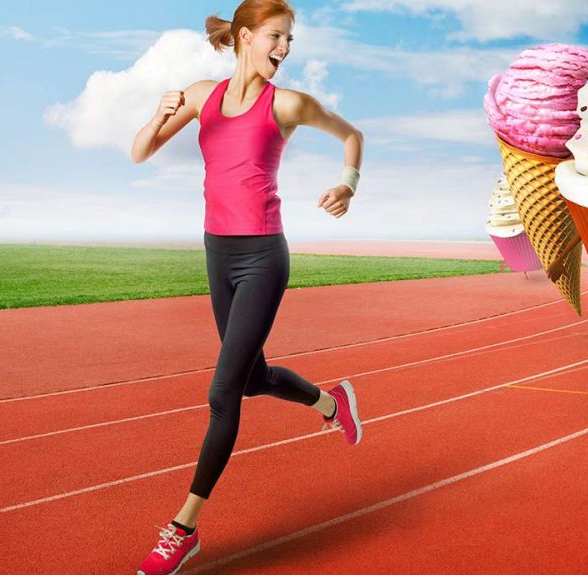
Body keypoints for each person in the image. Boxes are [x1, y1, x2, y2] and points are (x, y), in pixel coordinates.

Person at [130, 1, 364, 572]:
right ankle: (330, 403)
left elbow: (350, 134)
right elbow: (139, 152)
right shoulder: (201, 95)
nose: (284, 49)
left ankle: (183, 528)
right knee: (253, 378)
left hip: (262, 256)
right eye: (275, 37)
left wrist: (348, 184)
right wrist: (159, 114)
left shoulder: (287, 103)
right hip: (217, 251)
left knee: (222, 393)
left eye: (290, 40)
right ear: (243, 37)